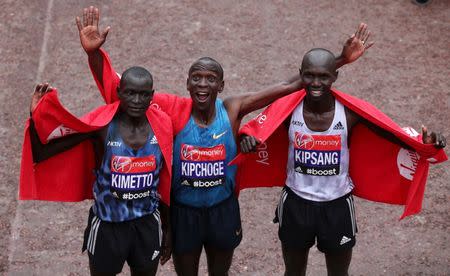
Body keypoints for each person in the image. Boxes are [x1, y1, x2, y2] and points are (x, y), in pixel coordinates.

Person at [75, 6, 372, 275]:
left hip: (223, 210)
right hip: (184, 211)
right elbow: (121, 92)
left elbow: (290, 84)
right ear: (187, 83)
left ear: (221, 84)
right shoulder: (174, 110)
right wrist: (93, 55)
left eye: (210, 79)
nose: (203, 85)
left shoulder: (232, 109)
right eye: (196, 78)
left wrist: (342, 59)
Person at [239, 48, 447, 276]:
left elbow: (392, 133)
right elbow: (259, 129)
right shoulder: (288, 110)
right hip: (295, 204)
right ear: (300, 76)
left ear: (335, 77)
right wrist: (247, 140)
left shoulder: (349, 114)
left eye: (323, 76)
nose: (316, 82)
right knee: (293, 272)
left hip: (337, 206)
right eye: (309, 75)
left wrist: (425, 144)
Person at [28, 67, 173, 276]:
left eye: (143, 94)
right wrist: (35, 117)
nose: (136, 100)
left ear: (152, 96)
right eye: (130, 93)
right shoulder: (103, 127)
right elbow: (42, 152)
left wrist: (168, 229)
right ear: (119, 92)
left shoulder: (162, 125)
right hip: (107, 227)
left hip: (147, 225)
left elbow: (165, 179)